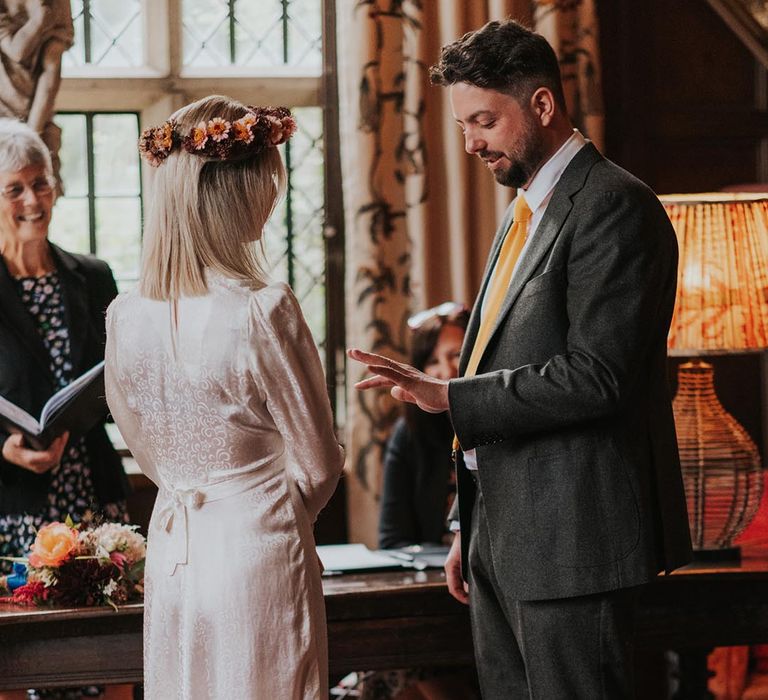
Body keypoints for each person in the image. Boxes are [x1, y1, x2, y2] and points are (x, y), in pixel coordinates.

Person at [349, 19, 692, 699]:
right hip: (500, 541)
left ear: (541, 104)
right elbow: (500, 352)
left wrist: (450, 397)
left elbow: (600, 376)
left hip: (575, 543)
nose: (471, 142)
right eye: (462, 126)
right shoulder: (523, 211)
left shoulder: (616, 206)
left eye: (483, 121)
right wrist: (465, 528)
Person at [104, 95, 344, 700]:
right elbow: (319, 463)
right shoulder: (263, 309)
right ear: (240, 197)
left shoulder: (126, 317)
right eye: (267, 187)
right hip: (258, 544)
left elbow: (145, 449)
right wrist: (272, 510)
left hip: (173, 544)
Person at [0, 118, 128, 571]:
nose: (32, 200)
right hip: (12, 507)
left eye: (41, 184)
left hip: (97, 500)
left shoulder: (94, 277)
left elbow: (125, 381)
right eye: (14, 189)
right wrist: (5, 448)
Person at [378, 302, 468, 550]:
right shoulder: (408, 433)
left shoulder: (500, 423)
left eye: (456, 354)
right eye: (432, 361)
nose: (445, 371)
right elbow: (392, 538)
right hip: (428, 576)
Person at [0, 0, 75, 192]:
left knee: (37, 183)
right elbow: (15, 52)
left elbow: (50, 77)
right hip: (4, 104)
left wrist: (32, 136)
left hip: (35, 114)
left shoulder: (57, 6)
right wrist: (38, 21)